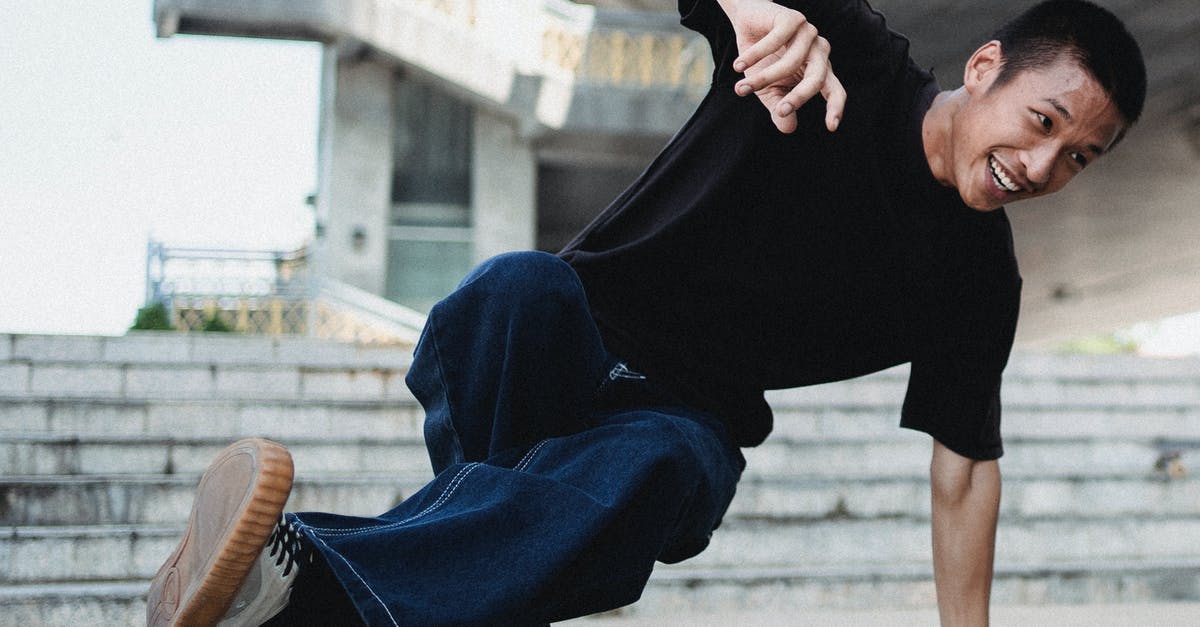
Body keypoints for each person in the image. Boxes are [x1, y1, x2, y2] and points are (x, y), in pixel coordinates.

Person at [145, 1, 1146, 625]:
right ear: (985, 70)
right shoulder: (842, 54)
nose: (1044, 165)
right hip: (563, 341)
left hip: (685, 421)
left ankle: (302, 579)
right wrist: (750, 6)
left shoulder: (978, 281)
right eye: (1044, 122)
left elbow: (965, 476)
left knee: (655, 461)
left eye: (1079, 158)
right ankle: (476, 580)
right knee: (513, 289)